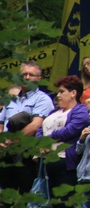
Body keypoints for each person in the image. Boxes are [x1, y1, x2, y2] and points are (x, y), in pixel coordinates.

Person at [0, 61, 55, 193]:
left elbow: (36, 125)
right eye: (24, 74)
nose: (27, 78)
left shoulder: (43, 99)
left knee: (26, 194)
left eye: (31, 75)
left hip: (27, 153)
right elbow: (1, 122)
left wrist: (11, 141)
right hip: (6, 153)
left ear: (39, 79)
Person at [36, 75, 90, 207]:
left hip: (66, 163)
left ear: (73, 93)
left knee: (66, 202)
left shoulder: (81, 110)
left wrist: (46, 140)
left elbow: (70, 130)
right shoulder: (54, 112)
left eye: (61, 91)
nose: (58, 95)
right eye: (57, 92)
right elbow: (39, 129)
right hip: (48, 162)